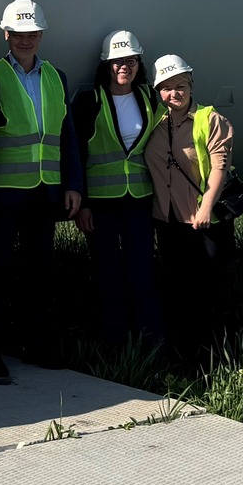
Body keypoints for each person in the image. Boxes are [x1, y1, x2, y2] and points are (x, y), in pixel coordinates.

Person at [0, 0, 84, 376]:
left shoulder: (56, 76)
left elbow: (67, 137)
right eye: (19, 33)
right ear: (6, 34)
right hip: (3, 192)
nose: (26, 39)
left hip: (44, 192)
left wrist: (72, 184)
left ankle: (35, 346)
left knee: (38, 272)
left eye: (33, 33)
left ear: (41, 35)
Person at [142, 53, 236, 367]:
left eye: (180, 85)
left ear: (191, 85)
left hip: (204, 222)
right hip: (168, 221)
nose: (174, 93)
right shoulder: (155, 122)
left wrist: (206, 207)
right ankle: (184, 355)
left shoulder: (210, 120)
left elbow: (220, 167)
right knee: (178, 290)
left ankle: (218, 358)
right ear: (158, 91)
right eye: (167, 87)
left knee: (210, 292)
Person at [71, 30, 162, 350]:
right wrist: (83, 203)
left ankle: (150, 344)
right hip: (101, 204)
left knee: (142, 272)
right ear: (106, 65)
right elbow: (77, 152)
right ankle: (114, 346)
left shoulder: (149, 98)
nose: (125, 66)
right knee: (107, 274)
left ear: (139, 64)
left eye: (131, 61)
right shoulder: (90, 101)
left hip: (139, 200)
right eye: (118, 61)